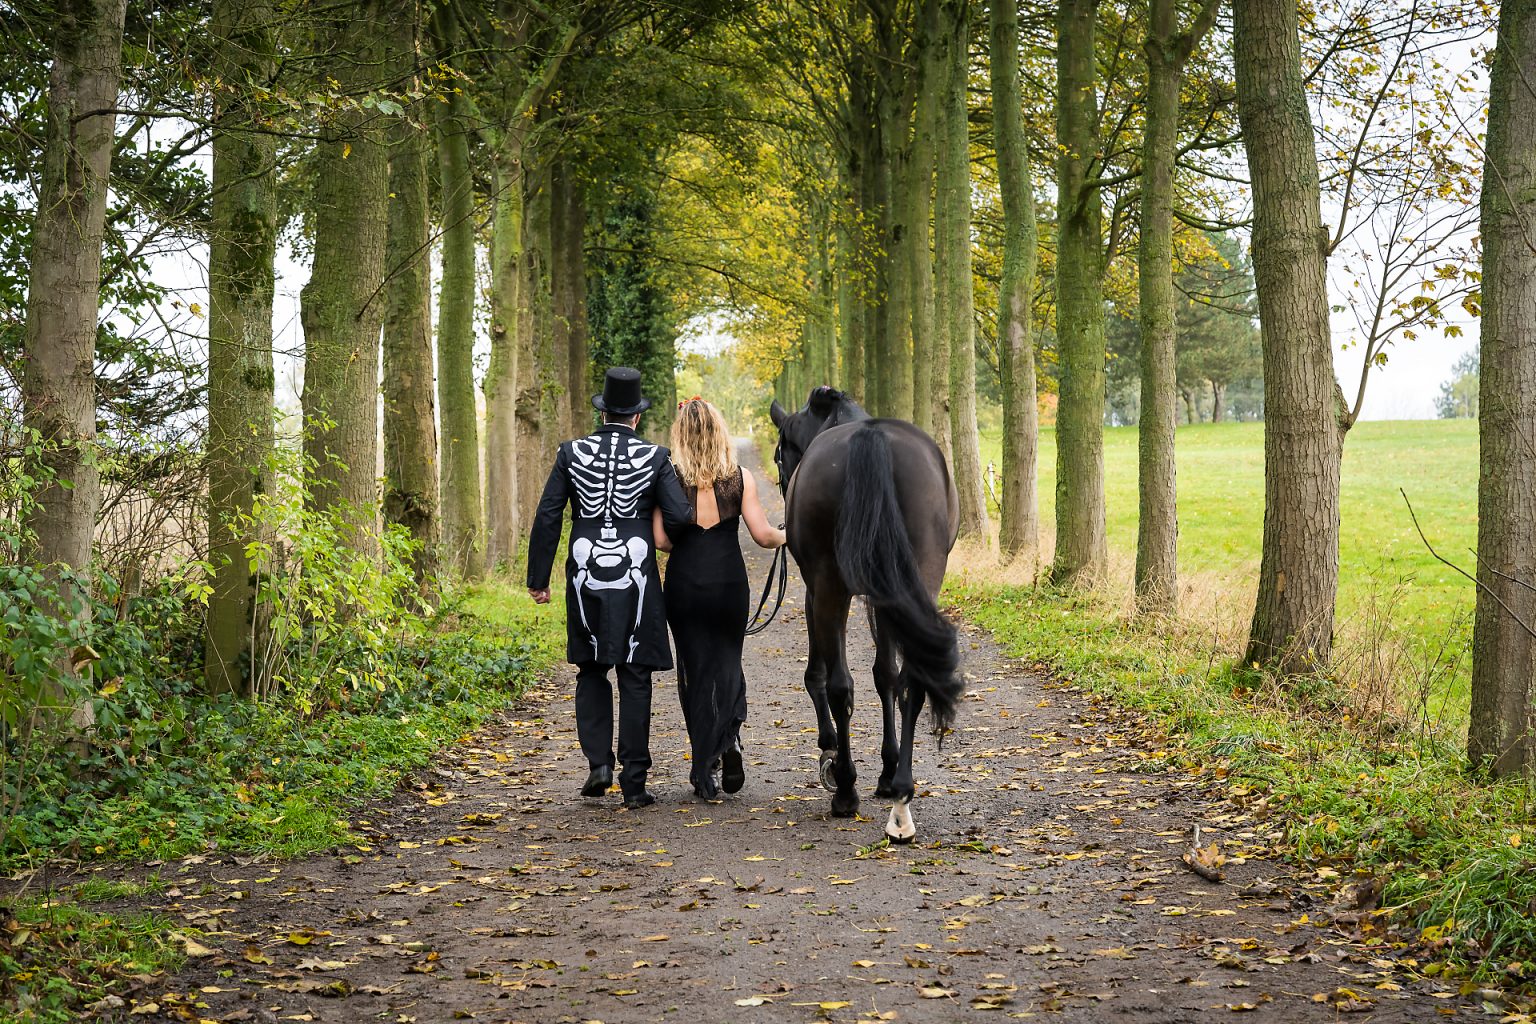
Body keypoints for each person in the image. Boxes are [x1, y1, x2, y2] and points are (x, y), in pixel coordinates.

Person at [527, 367, 694, 810]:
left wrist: (537, 579)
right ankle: (634, 783)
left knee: (591, 666)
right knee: (635, 672)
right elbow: (678, 514)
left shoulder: (571, 452)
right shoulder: (656, 457)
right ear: (636, 417)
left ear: (602, 413)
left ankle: (598, 765)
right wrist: (665, 542)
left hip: (584, 567)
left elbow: (548, 515)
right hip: (635, 564)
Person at [653, 398, 786, 801]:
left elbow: (661, 541)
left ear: (680, 436)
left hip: (685, 583)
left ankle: (702, 767)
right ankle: (728, 739)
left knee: (694, 672)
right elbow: (764, 537)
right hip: (729, 583)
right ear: (719, 432)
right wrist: (790, 532)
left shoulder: (668, 479)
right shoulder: (739, 478)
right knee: (728, 663)